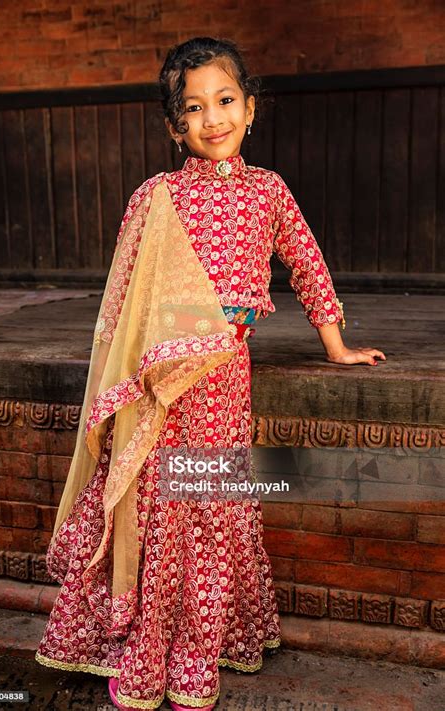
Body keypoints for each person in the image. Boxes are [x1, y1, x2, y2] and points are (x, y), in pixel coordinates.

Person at [35, 37, 386, 711]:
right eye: (193, 109)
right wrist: (126, 382)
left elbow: (307, 265)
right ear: (174, 126)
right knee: (160, 507)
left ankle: (202, 647)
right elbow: (126, 297)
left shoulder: (269, 191)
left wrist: (336, 345)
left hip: (226, 377)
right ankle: (145, 644)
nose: (212, 118)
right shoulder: (157, 196)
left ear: (250, 109)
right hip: (162, 384)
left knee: (213, 502)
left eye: (225, 101)